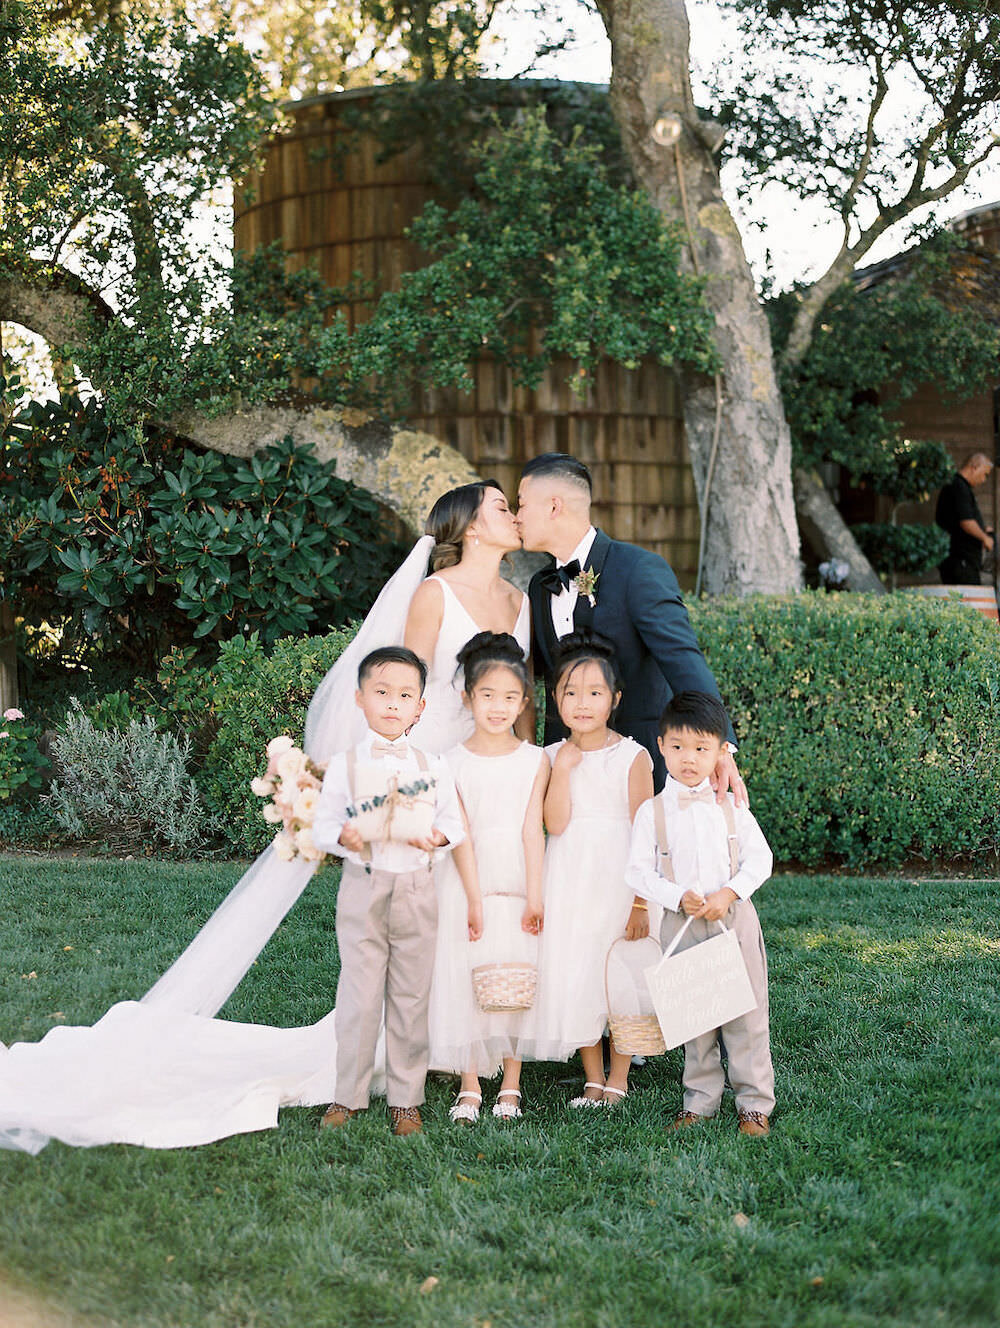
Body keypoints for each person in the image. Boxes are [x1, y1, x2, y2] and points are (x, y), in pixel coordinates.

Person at [0, 480, 531, 1154]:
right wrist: (402, 796)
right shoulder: (435, 593)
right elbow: (409, 691)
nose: (512, 516)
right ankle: (409, 1064)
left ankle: (465, 1047)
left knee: (469, 909)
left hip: (484, 766)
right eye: (500, 508)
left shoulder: (518, 599)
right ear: (471, 526)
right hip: (428, 768)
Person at [310, 647, 473, 1137]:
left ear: (420, 707)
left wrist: (436, 838)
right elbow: (322, 824)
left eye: (405, 696)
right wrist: (345, 837)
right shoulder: (344, 765)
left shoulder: (433, 764)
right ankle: (348, 1095)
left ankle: (406, 1099)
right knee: (359, 994)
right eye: (381, 693)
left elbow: (454, 824)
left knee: (410, 994)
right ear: (360, 699)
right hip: (364, 883)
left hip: (417, 887)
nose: (393, 704)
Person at [515, 452, 743, 800]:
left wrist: (719, 745)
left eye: (521, 504)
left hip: (640, 764)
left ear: (554, 506)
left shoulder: (638, 569)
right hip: (569, 768)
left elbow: (682, 660)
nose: (517, 518)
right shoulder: (540, 585)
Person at [625, 691, 775, 1136]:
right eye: (678, 747)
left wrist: (730, 893)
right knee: (696, 1016)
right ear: (661, 746)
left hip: (732, 919)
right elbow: (636, 870)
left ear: (719, 751)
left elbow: (760, 860)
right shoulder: (653, 812)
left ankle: (753, 1103)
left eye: (700, 748)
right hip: (682, 921)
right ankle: (700, 1101)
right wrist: (674, 896)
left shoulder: (731, 807)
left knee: (746, 1017)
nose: (688, 758)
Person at [523, 631, 658, 1106]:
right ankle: (592, 1075)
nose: (583, 703)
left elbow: (648, 833)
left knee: (621, 973)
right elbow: (554, 823)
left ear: (614, 699)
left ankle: (620, 1073)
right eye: (570, 692)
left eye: (595, 693)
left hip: (620, 880)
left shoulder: (633, 755)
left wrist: (641, 901)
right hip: (571, 878)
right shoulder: (551, 757)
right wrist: (563, 769)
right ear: (556, 697)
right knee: (579, 969)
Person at [427, 633, 548, 1125]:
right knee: (467, 971)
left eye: (509, 698)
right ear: (468, 697)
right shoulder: (450, 763)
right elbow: (462, 835)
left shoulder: (536, 760)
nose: (498, 708)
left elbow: (532, 830)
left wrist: (535, 893)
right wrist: (474, 899)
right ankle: (472, 1080)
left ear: (523, 701)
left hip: (517, 876)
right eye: (487, 696)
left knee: (519, 970)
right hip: (466, 881)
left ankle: (513, 1082)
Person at [935, 452, 994, 585]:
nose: (983, 480)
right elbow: (966, 522)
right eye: (985, 474)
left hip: (965, 561)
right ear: (974, 467)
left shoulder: (961, 487)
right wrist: (985, 538)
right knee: (966, 600)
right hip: (960, 560)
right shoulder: (958, 486)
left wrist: (982, 529)